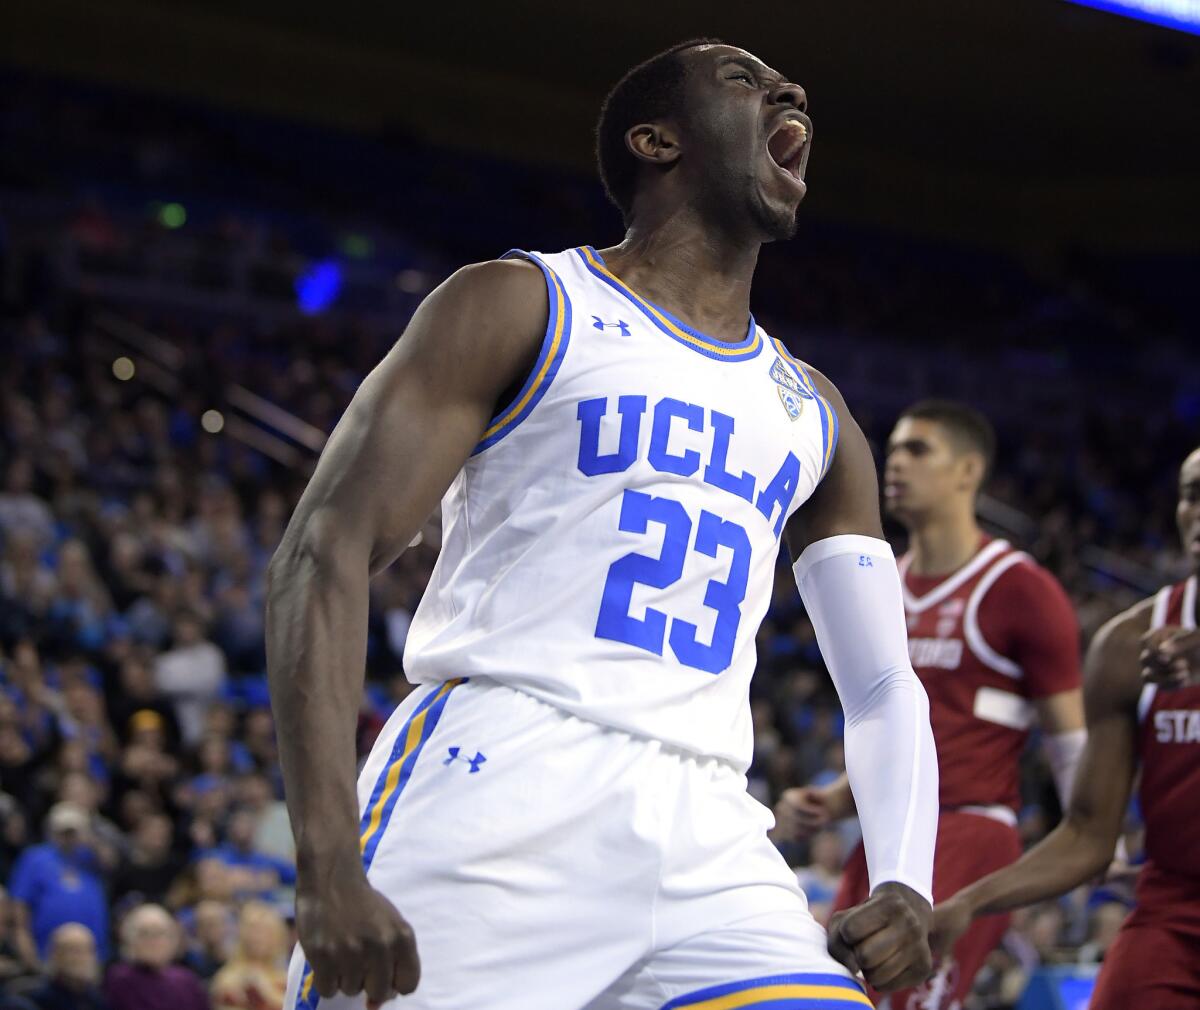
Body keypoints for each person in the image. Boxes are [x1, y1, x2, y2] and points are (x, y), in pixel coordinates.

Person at [268, 39, 940, 1010]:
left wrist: (906, 876)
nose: (788, 88)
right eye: (744, 79)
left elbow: (880, 682)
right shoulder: (522, 303)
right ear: (655, 139)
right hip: (500, 782)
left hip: (708, 815)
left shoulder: (816, 411)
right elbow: (318, 554)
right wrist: (325, 858)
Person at [775, 401, 1085, 1010]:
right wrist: (835, 797)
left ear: (969, 471)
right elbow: (904, 725)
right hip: (885, 832)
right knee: (836, 996)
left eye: (918, 451)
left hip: (972, 827)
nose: (895, 463)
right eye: (891, 450)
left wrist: (1091, 839)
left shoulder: (1021, 587)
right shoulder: (882, 581)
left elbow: (1069, 742)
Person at [931, 446, 1200, 1010]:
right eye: (1190, 494)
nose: (1197, 509)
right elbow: (1086, 836)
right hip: (1175, 911)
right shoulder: (1130, 644)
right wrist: (967, 903)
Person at [7, 802, 110, 962]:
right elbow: (20, 906)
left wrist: (90, 841)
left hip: (93, 956)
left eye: (74, 831)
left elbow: (113, 863)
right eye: (64, 831)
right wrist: (26, 947)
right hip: (47, 954)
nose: (69, 837)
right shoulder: (36, 857)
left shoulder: (90, 857)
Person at [104, 904, 207, 1010]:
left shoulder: (187, 980)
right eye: (144, 934)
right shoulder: (121, 979)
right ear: (129, 939)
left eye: (160, 933)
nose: (153, 941)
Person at [9, 922, 108, 1010]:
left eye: (87, 950)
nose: (81, 958)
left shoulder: (96, 999)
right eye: (73, 950)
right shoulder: (38, 1000)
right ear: (55, 954)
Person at [210, 901, 289, 1009]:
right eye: (254, 930)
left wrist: (266, 991)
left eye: (266, 932)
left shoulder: (284, 977)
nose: (258, 937)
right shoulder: (228, 978)